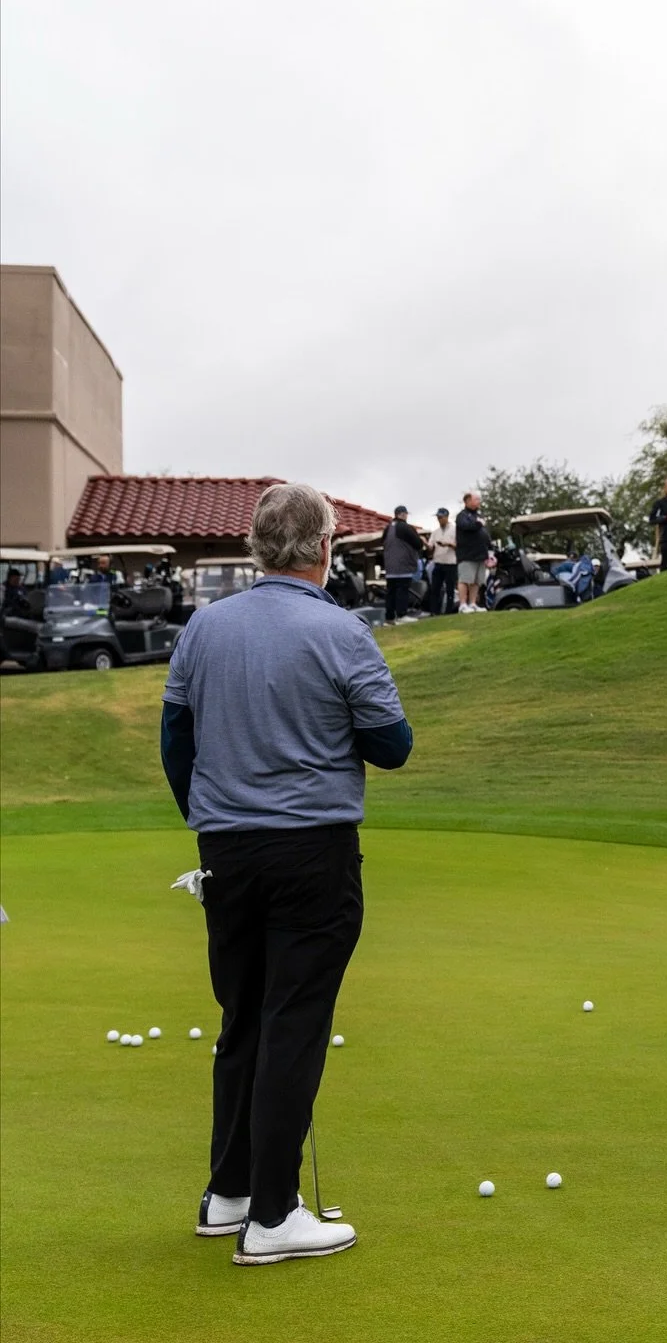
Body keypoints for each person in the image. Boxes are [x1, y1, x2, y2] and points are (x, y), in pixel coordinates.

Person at [159, 482, 413, 1265]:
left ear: (257, 547)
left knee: (243, 1016)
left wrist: (209, 817)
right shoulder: (341, 631)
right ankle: (272, 1215)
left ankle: (228, 1192)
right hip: (311, 853)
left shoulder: (204, 627)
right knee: (292, 1022)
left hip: (226, 850)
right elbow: (393, 744)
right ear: (325, 548)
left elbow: (177, 739)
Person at [381, 507, 425, 624]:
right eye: (406, 514)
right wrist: (422, 540)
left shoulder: (387, 528)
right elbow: (418, 544)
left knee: (390, 593)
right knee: (402, 590)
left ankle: (389, 618)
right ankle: (402, 615)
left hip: (390, 567)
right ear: (402, 514)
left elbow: (383, 543)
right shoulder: (405, 527)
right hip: (403, 565)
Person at [454, 493, 491, 613]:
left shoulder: (479, 515)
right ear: (468, 501)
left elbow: (484, 533)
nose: (479, 501)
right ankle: (463, 605)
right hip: (467, 554)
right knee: (465, 580)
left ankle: (473, 603)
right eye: (476, 499)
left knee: (476, 581)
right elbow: (466, 526)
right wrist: (478, 523)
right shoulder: (462, 516)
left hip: (480, 554)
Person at [428, 507, 458, 616]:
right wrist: (426, 545)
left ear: (446, 517)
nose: (439, 519)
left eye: (441, 517)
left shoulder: (454, 530)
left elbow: (459, 546)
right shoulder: (435, 532)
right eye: (438, 517)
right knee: (435, 588)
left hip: (451, 562)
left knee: (450, 589)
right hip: (438, 562)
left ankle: (449, 612)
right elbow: (430, 546)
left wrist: (448, 544)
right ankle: (434, 611)